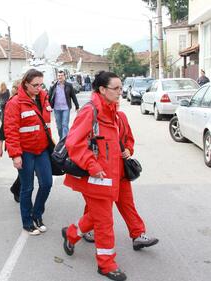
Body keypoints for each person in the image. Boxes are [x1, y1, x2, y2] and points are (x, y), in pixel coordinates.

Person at [60, 71, 127, 280]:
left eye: (120, 87)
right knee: (104, 222)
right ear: (102, 90)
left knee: (96, 216)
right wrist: (92, 164)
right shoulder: (91, 112)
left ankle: (71, 234)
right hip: (95, 178)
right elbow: (73, 143)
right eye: (116, 88)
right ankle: (106, 265)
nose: (120, 92)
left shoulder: (112, 112)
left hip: (109, 177)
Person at [82, 102, 159, 251]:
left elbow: (129, 139)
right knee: (98, 207)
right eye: (114, 93)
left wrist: (129, 150)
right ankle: (85, 230)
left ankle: (138, 235)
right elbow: (84, 144)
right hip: (102, 173)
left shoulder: (121, 117)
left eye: (119, 93)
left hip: (121, 171)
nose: (116, 100)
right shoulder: (94, 119)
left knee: (127, 204)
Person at [4, 69, 53, 235]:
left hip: (42, 149)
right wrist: (15, 155)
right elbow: (10, 130)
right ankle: (27, 221)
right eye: (35, 85)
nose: (39, 88)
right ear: (25, 84)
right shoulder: (15, 103)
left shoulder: (44, 98)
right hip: (25, 151)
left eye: (41, 84)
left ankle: (37, 214)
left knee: (47, 184)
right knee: (27, 188)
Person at [0, 80, 21, 203]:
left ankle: (16, 189)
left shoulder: (30, 101)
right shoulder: (10, 104)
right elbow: (4, 127)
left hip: (28, 142)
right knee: (24, 171)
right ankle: (16, 189)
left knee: (27, 172)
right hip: (15, 143)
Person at [48, 70, 79, 140]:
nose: (60, 77)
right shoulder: (54, 86)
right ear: (57, 77)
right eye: (59, 76)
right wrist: (47, 106)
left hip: (66, 108)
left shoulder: (69, 85)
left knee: (65, 124)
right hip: (56, 108)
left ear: (64, 76)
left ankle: (65, 141)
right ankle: (61, 139)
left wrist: (77, 106)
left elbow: (73, 96)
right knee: (59, 126)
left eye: (61, 75)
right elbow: (49, 97)